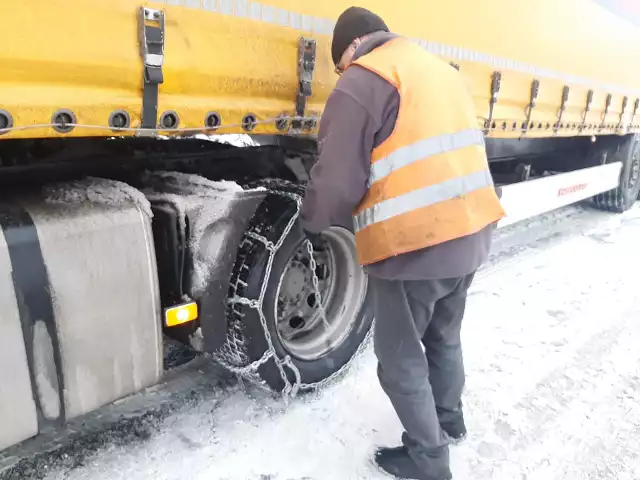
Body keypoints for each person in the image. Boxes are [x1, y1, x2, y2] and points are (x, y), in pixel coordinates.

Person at [299, 6, 505, 480]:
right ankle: (449, 422)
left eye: (338, 65)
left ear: (350, 48)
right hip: (472, 228)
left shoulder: (362, 80)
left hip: (416, 245)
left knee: (398, 357)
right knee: (443, 335)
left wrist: (313, 222)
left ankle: (428, 461)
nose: (341, 75)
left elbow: (336, 180)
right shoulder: (436, 70)